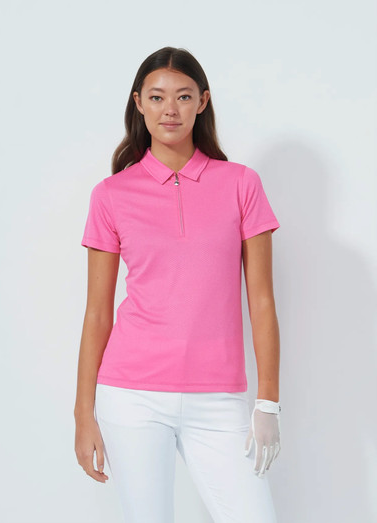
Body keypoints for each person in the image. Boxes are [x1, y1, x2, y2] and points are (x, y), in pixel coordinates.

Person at [74, 46, 282, 523]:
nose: (171, 109)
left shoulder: (241, 184)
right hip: (131, 395)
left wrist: (268, 402)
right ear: (139, 103)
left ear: (202, 102)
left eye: (184, 96)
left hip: (220, 398)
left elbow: (262, 301)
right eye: (157, 97)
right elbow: (97, 313)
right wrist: (83, 414)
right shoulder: (111, 195)